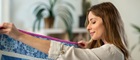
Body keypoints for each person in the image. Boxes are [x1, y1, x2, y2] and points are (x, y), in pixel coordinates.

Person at [0, 2, 130, 60]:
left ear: (108, 22)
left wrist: (19, 36)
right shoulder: (114, 52)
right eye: (88, 22)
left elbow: (64, 53)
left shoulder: (111, 51)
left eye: (93, 22)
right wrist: (89, 48)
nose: (88, 27)